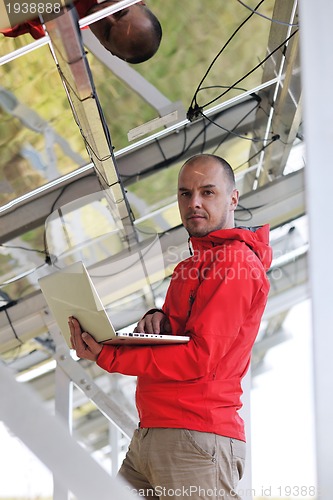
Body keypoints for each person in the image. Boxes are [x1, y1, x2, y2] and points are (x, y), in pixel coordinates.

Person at [69, 153, 272, 499]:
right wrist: (158, 318)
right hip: (154, 432)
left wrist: (109, 355)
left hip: (193, 439)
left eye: (208, 192)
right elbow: (177, 336)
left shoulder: (235, 264)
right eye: (185, 193)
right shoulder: (191, 266)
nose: (194, 203)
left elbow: (198, 358)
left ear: (233, 198)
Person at [1, 0, 162, 64]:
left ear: (104, 46)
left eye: (106, 31)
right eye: (119, 12)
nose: (104, 15)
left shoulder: (57, 23)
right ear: (138, 1)